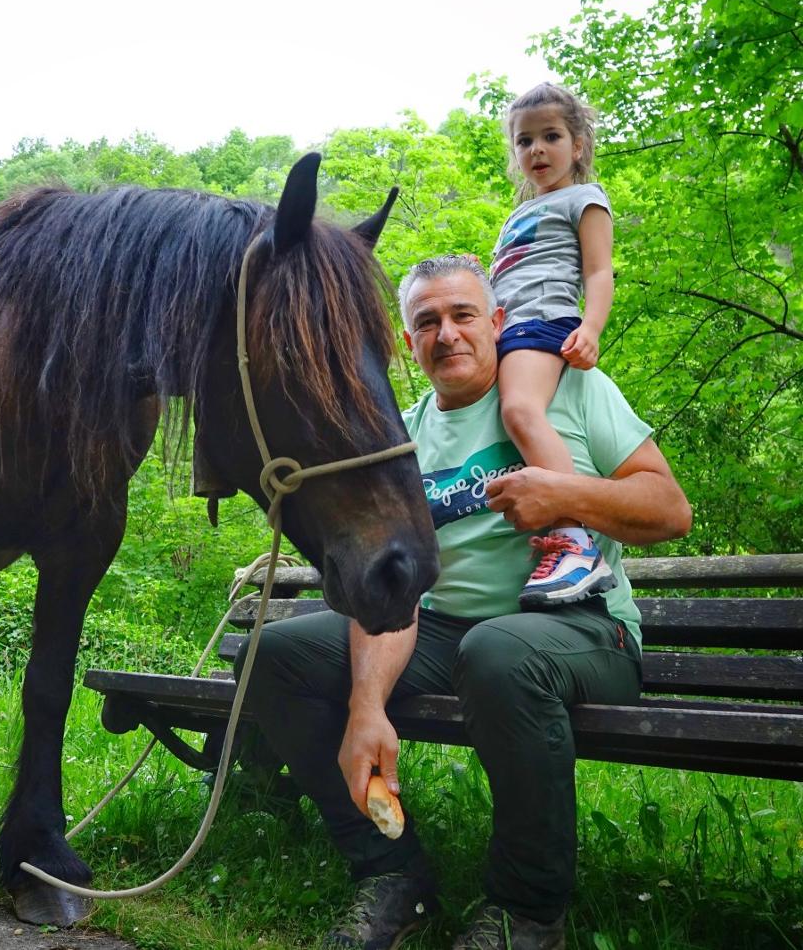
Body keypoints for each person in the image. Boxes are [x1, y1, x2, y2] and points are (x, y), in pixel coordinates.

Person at [235, 255, 691, 950]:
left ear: (498, 323)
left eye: (463, 315)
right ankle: (390, 872)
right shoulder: (401, 433)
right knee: (277, 654)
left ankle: (527, 910)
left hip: (580, 628)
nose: (446, 334)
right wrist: (366, 707)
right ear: (408, 344)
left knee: (499, 651)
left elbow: (670, 509)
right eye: (426, 323)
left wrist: (568, 495)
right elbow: (393, 593)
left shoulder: (568, 390)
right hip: (447, 636)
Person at [491, 83, 616, 608]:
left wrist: (590, 329)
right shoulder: (515, 215)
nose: (536, 150)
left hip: (544, 320)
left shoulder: (585, 199)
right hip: (505, 328)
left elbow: (599, 271)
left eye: (551, 136)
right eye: (524, 141)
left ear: (578, 144)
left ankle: (576, 540)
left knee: (520, 410)